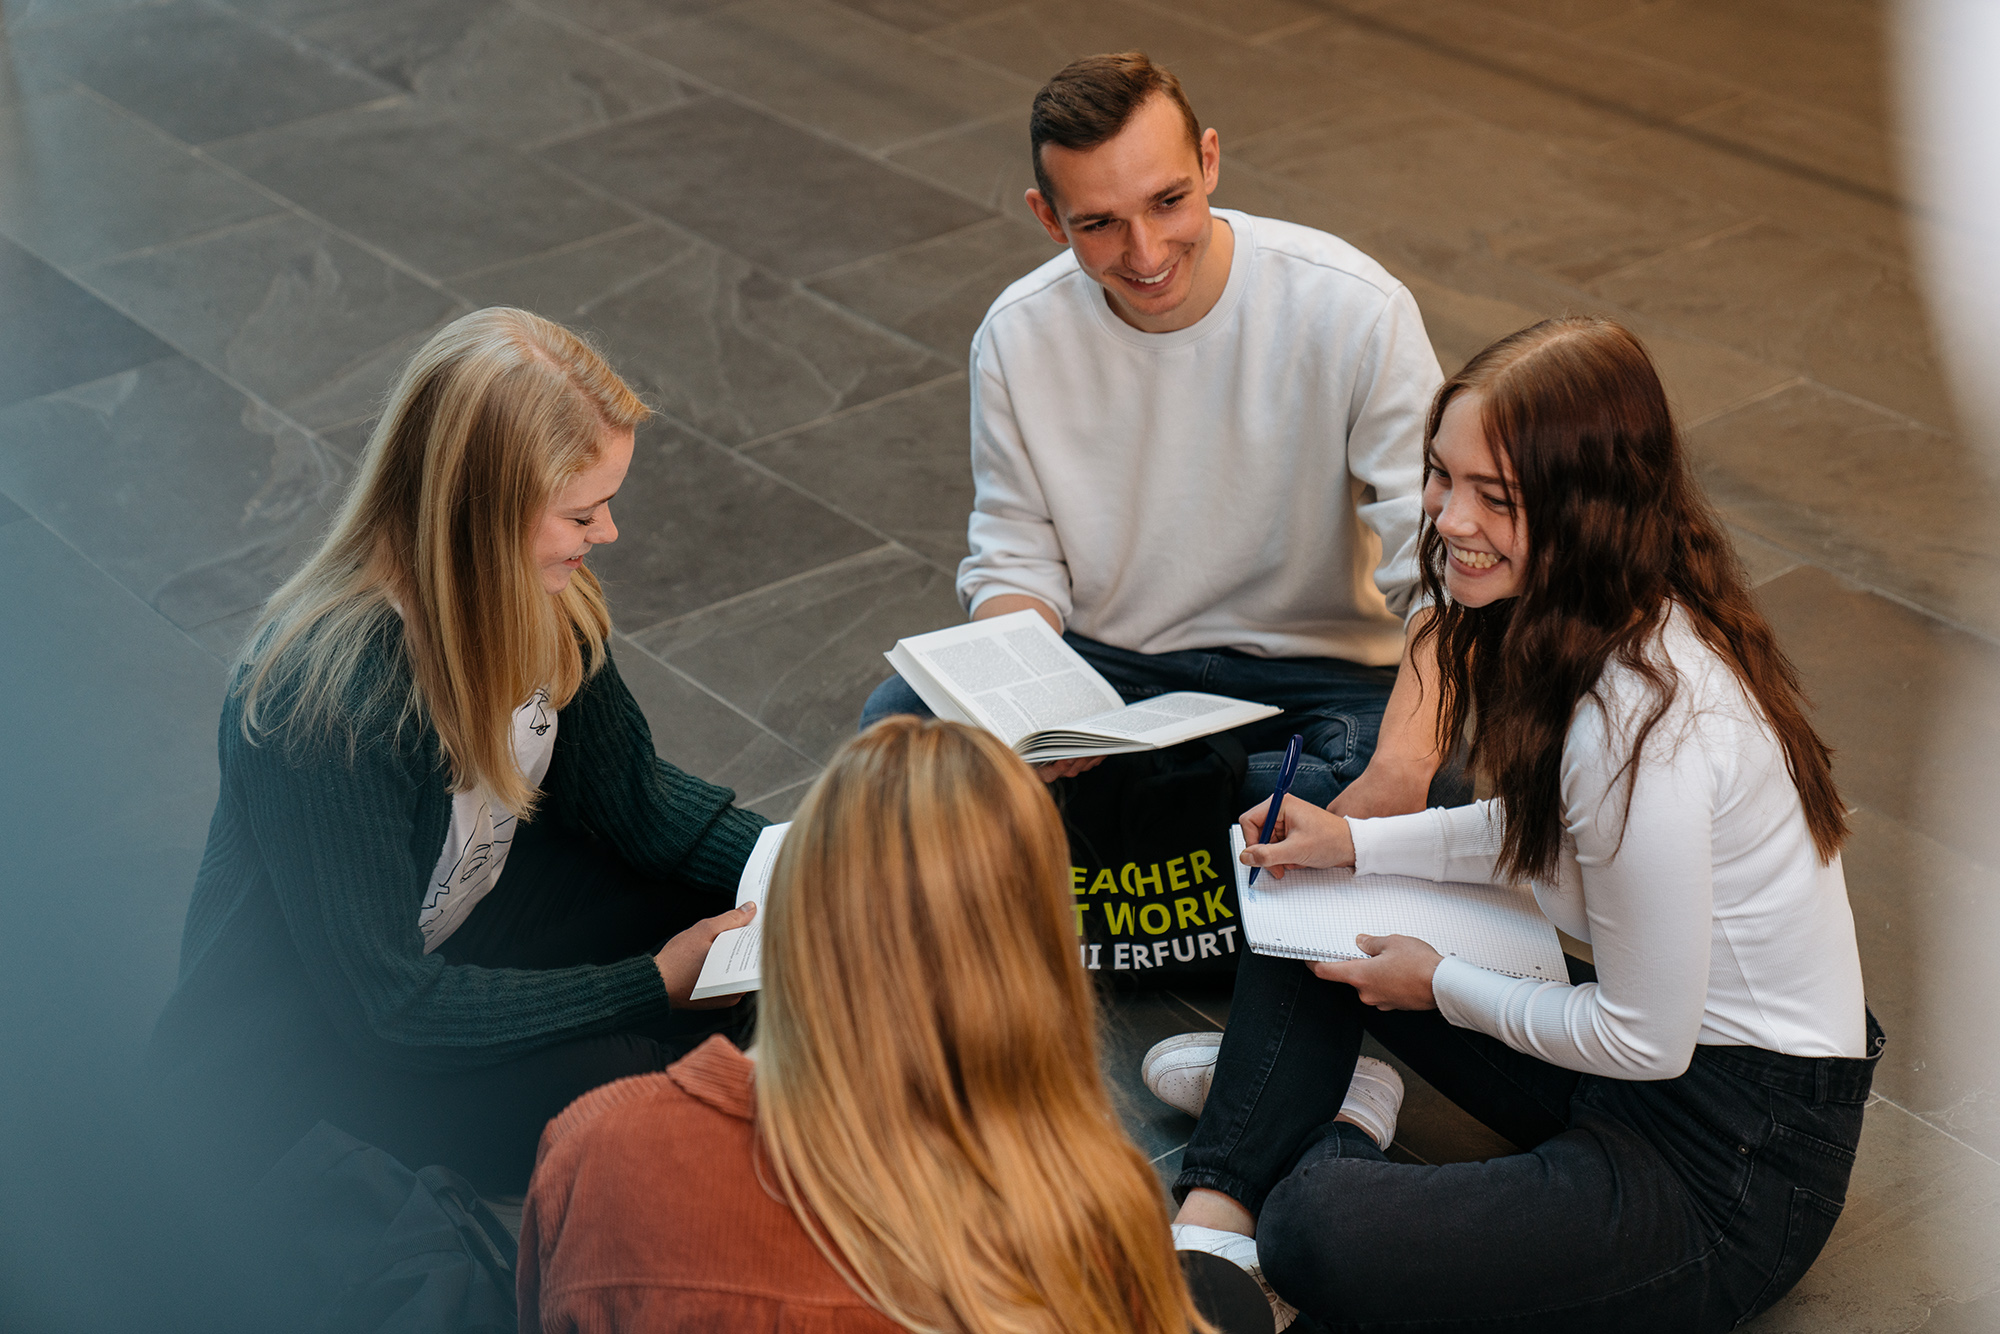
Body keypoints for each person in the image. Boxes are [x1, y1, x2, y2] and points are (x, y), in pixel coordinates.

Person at [1144, 317, 1879, 1332]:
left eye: (1497, 497)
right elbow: (1538, 830)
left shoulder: (1640, 726)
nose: (1448, 518)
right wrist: (1350, 845)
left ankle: (1314, 1112)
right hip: (1661, 1053)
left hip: (1730, 1163)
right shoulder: (1603, 611)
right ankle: (1243, 1164)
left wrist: (1434, 983)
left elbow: (1642, 1038)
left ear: (1587, 509)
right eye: (1442, 477)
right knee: (1312, 874)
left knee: (1315, 1226)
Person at [146, 308, 764, 1196]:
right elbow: (387, 1010)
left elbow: (635, 801)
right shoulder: (322, 702)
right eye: (583, 512)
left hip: (461, 932)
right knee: (636, 1080)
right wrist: (651, 983)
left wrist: (812, 856)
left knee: (738, 908)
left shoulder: (544, 600)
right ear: (483, 514)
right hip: (325, 1047)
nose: (609, 535)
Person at [518, 717, 1270, 1333]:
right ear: (1034, 950)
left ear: (799, 907)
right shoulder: (1092, 1213)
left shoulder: (595, 1142)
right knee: (1222, 1298)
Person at [860, 52, 1463, 814]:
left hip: (1322, 676)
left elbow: (1437, 561)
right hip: (1105, 667)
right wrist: (1036, 718)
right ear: (1048, 218)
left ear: (1208, 162)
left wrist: (1406, 767)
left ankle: (1127, 828)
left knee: (1443, 769)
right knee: (897, 735)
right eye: (1100, 224)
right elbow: (1014, 560)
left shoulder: (1353, 308)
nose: (1145, 255)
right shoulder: (1018, 333)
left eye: (1168, 201)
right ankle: (1211, 830)